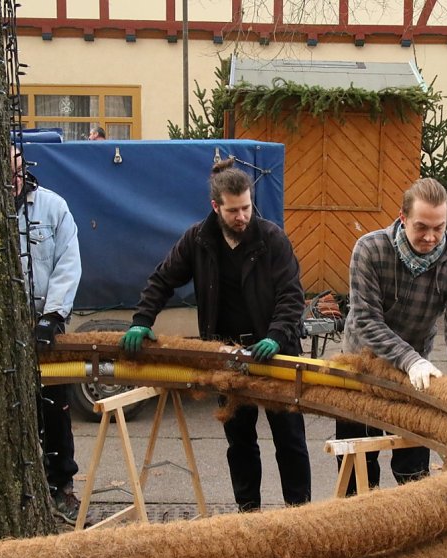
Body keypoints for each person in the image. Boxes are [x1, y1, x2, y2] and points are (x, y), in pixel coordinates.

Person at [119, 158, 311, 512]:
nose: (242, 217)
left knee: (290, 440)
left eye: (247, 208)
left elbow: (291, 295)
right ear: (215, 206)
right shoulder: (198, 239)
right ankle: (247, 513)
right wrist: (141, 320)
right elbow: (162, 280)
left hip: (276, 351)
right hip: (227, 355)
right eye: (233, 210)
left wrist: (277, 335)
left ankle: (300, 513)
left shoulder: (272, 239)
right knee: (240, 441)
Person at [338, 177, 447, 494]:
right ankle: (358, 536)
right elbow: (366, 319)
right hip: (360, 369)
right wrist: (410, 359)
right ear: (403, 218)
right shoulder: (370, 250)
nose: (430, 237)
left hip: (414, 377)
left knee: (413, 471)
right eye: (421, 227)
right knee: (358, 473)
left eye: (438, 227)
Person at [11, 147, 83, 524]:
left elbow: (68, 262)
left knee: (54, 409)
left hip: (45, 327)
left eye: (17, 171)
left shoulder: (52, 208)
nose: (13, 179)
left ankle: (61, 487)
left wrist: (53, 315)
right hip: (4, 331)